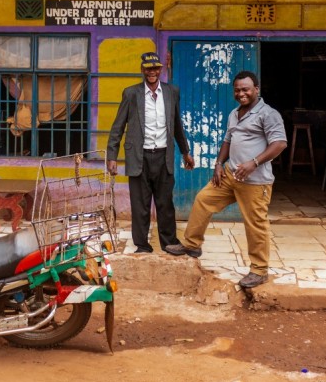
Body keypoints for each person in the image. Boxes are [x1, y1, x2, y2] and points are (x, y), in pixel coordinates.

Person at [165, 71, 287, 289]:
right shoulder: (234, 113)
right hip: (231, 174)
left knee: (255, 223)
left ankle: (259, 270)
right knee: (203, 199)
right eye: (238, 90)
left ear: (256, 90)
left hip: (255, 181)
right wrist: (219, 164)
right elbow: (227, 140)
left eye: (246, 89)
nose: (241, 93)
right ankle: (192, 245)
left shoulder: (269, 114)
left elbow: (279, 143)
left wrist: (254, 163)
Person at [107, 52, 195, 253]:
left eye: (155, 68)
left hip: (164, 156)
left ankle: (169, 243)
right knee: (140, 206)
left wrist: (185, 152)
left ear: (160, 70)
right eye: (148, 69)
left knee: (165, 203)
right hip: (140, 157)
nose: (152, 72)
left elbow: (177, 125)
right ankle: (142, 246)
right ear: (142, 70)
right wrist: (112, 156)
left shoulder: (172, 91)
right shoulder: (131, 94)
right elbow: (117, 127)